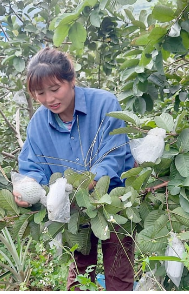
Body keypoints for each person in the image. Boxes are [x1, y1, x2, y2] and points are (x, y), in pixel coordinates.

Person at [13, 47, 136, 291]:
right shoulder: (38, 123)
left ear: (71, 81)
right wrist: (26, 188)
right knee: (80, 274)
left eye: (55, 89)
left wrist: (82, 183)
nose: (49, 99)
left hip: (114, 202)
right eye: (40, 93)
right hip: (73, 212)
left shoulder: (105, 104)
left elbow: (113, 158)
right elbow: (31, 166)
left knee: (119, 274)